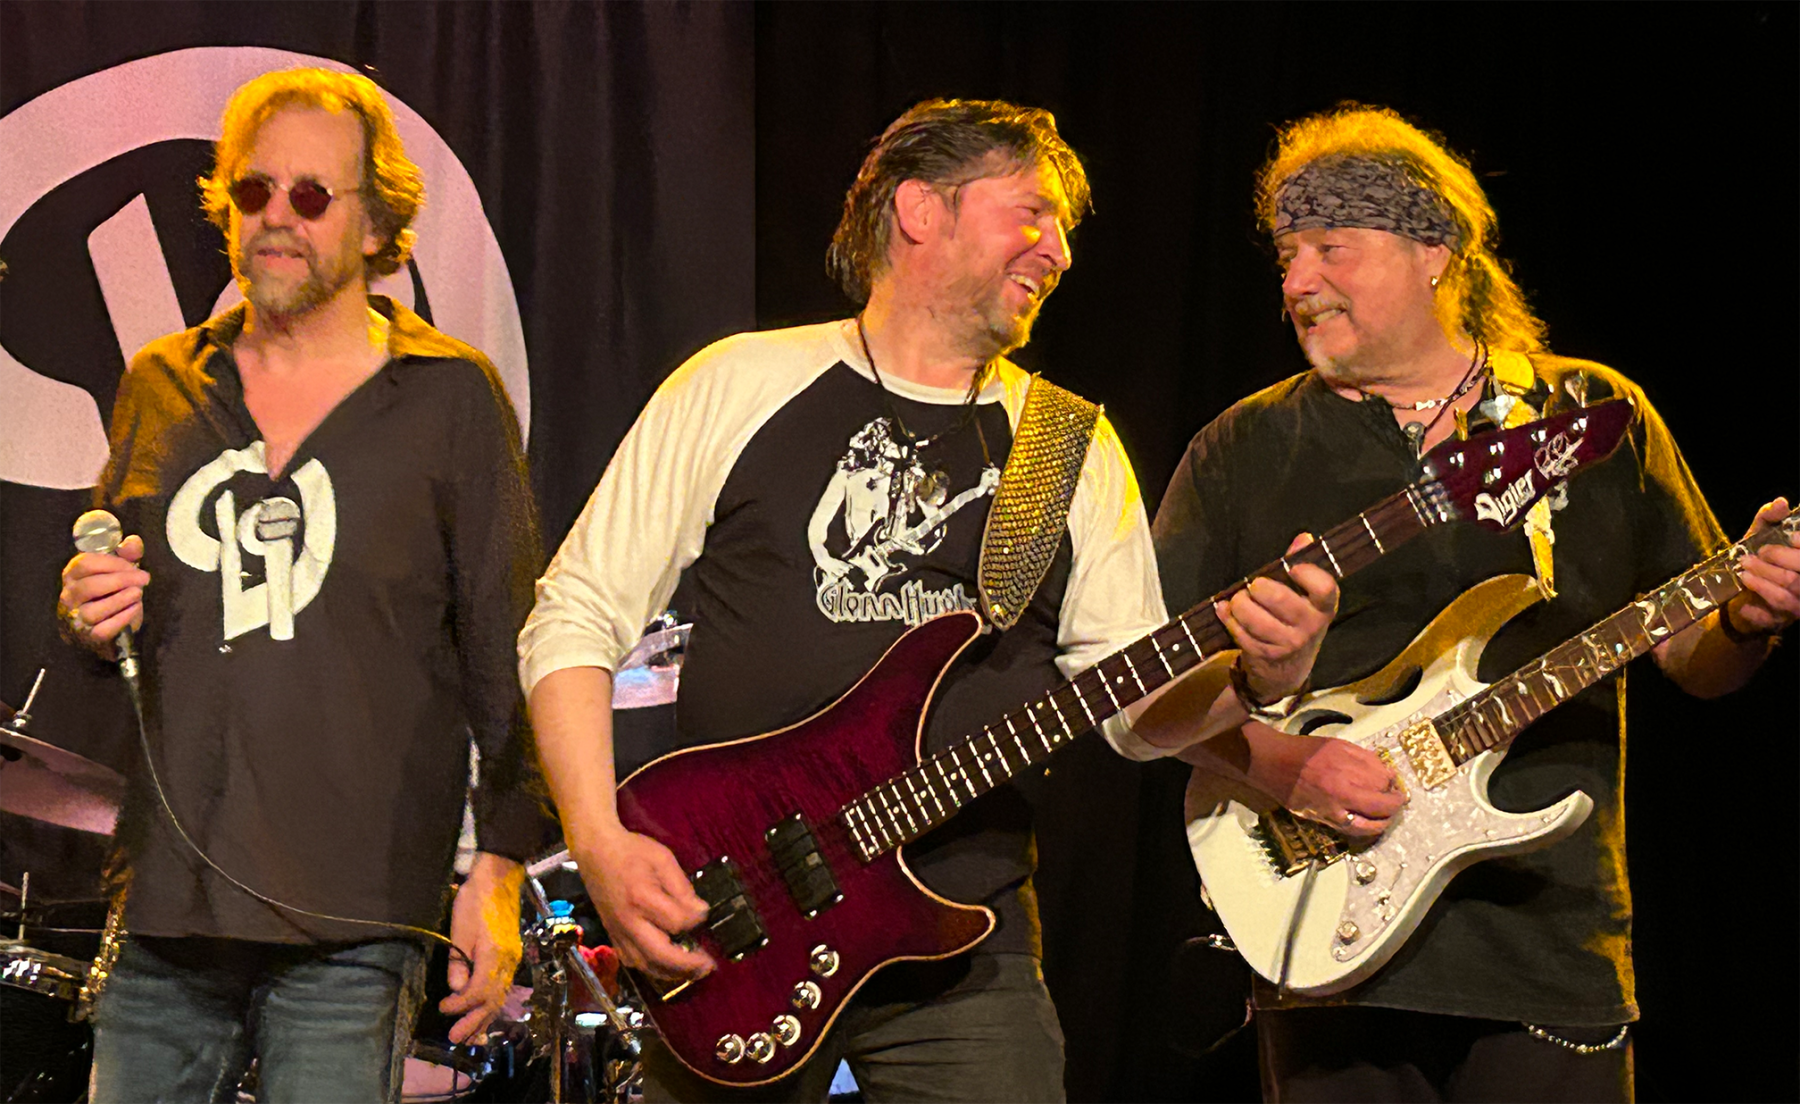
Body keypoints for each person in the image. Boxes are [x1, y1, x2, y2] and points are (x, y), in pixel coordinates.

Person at [518, 98, 1337, 1103]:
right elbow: (576, 613)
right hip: (736, 921)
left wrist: (1256, 677)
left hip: (964, 943)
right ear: (918, 209)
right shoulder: (738, 384)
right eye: (1032, 212)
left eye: (1063, 228)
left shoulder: (1067, 445)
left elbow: (1132, 714)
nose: (1060, 251)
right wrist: (597, 838)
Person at [1154, 104, 1799, 1103]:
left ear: (1434, 252)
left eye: (1330, 247)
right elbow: (1142, 698)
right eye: (1286, 255)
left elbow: (1694, 658)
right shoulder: (1240, 448)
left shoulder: (1590, 415)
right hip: (1325, 944)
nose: (1297, 283)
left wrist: (1747, 622)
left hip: (1548, 944)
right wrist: (1284, 766)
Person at [56, 68, 549, 1103]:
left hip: (354, 924)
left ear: (375, 226)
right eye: (254, 190)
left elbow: (508, 653)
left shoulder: (449, 397)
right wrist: (89, 616)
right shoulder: (161, 382)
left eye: (313, 196)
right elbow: (113, 623)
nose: (277, 217)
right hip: (165, 908)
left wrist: (501, 869)